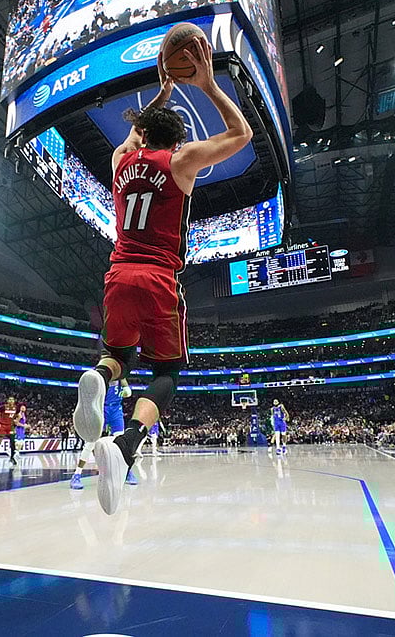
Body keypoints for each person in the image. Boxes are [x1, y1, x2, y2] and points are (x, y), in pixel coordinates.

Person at [77, 34, 252, 515]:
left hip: (117, 275)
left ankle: (99, 375)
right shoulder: (180, 161)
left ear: (141, 133)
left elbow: (133, 138)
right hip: (158, 280)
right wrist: (208, 85)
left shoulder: (120, 162)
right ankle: (127, 442)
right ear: (176, 140)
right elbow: (240, 135)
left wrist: (162, 94)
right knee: (168, 373)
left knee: (118, 354)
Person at [71, 379, 137, 489]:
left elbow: (128, 392)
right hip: (100, 409)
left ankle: (127, 471)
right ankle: (77, 474)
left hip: (116, 409)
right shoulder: (100, 376)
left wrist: (124, 390)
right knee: (90, 442)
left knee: (122, 443)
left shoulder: (121, 376)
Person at [0, 401, 17, 467]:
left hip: (10, 427)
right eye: (10, 400)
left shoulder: (15, 408)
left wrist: (16, 421)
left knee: (13, 442)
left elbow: (17, 416)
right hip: (2, 426)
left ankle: (12, 458)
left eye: (12, 401)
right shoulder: (3, 407)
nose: (11, 402)